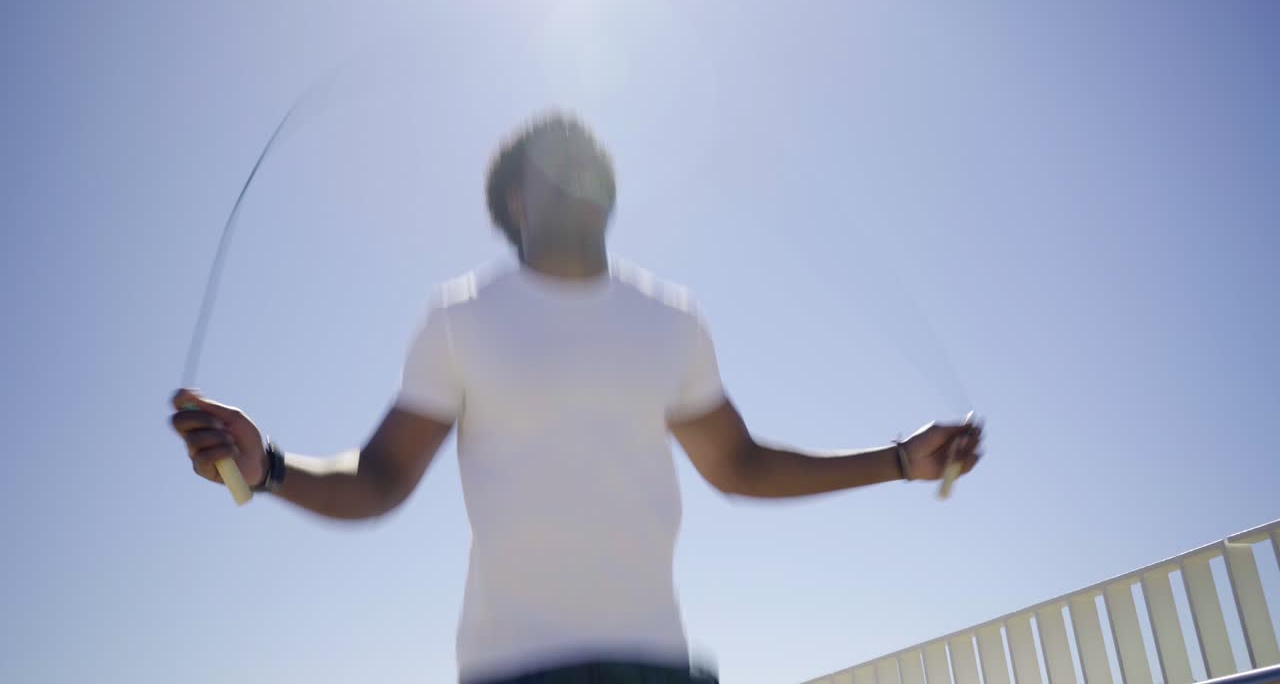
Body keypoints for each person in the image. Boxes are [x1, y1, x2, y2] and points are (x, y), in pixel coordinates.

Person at [170, 111, 984, 684]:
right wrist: (269, 465)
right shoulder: (460, 317)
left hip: (659, 668)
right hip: (512, 671)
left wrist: (900, 462)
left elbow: (738, 466)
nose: (578, 174)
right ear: (516, 203)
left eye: (588, 162)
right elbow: (380, 479)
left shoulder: (672, 320)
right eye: (554, 167)